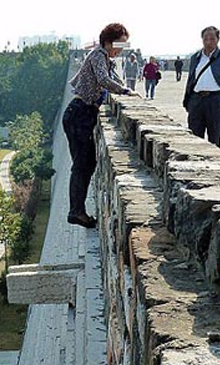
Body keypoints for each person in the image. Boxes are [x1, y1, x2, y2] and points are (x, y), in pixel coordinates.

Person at [63, 23, 139, 229]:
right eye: (119, 44)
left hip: (82, 114)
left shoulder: (105, 58)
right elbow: (103, 80)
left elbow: (110, 78)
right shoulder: (98, 55)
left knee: (87, 164)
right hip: (79, 114)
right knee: (81, 164)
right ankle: (76, 212)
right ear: (108, 41)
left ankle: (78, 210)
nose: (121, 49)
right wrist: (124, 92)